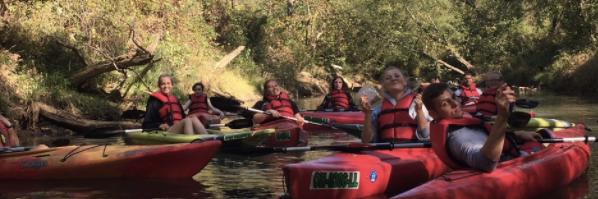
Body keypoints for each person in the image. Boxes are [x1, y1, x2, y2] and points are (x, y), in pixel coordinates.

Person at [422, 83, 544, 172]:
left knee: (534, 137)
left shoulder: (459, 123)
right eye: (445, 103)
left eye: (454, 97)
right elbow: (487, 162)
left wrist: (516, 134)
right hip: (505, 168)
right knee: (543, 142)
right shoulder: (460, 137)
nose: (455, 103)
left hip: (501, 159)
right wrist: (502, 116)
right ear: (434, 114)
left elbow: (485, 136)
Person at [360, 67, 433, 143]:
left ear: (405, 82)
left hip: (412, 152)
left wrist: (419, 110)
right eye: (388, 78)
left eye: (397, 76)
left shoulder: (418, 105)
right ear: (384, 86)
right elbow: (367, 140)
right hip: (386, 153)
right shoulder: (378, 111)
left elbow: (427, 137)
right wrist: (367, 113)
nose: (393, 79)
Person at [142, 74, 208, 135]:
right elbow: (146, 124)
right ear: (159, 86)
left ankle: (208, 140)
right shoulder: (154, 101)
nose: (166, 86)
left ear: (172, 85)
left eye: (168, 83)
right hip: (165, 132)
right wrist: (159, 125)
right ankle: (192, 143)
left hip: (177, 129)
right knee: (187, 120)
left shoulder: (175, 100)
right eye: (163, 84)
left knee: (193, 118)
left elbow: (183, 117)